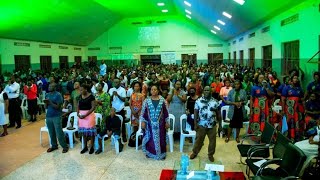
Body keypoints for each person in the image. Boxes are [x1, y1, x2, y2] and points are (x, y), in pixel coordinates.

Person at [190, 86, 221, 162]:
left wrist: (220, 125)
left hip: (212, 125)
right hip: (201, 125)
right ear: (203, 91)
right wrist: (195, 124)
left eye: (208, 90)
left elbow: (219, 114)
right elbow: (195, 112)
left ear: (211, 91)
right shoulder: (198, 101)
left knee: (212, 141)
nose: (207, 91)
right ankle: (195, 152)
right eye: (205, 90)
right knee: (199, 140)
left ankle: (210, 154)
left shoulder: (215, 102)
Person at [141, 85, 169, 160]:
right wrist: (143, 121)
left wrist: (167, 121)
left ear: (158, 91)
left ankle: (162, 154)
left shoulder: (162, 100)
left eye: (155, 89)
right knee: (150, 139)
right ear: (150, 91)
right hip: (149, 124)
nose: (154, 91)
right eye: (152, 89)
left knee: (161, 138)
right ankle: (150, 153)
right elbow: (144, 113)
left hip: (161, 124)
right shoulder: (146, 101)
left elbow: (166, 112)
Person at [44, 83, 68, 153]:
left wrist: (50, 102)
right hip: (49, 116)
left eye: (51, 86)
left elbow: (58, 107)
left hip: (56, 115)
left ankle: (64, 146)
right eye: (49, 86)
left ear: (55, 87)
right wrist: (46, 103)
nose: (49, 87)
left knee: (59, 132)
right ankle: (54, 146)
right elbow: (46, 107)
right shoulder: (47, 94)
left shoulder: (58, 95)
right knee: (51, 132)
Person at [281, 75, 304, 141]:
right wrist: (283, 110)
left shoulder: (299, 88)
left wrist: (304, 109)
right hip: (289, 109)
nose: (296, 79)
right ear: (291, 80)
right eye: (294, 78)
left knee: (297, 122)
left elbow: (302, 100)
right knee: (289, 122)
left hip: (297, 109)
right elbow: (283, 99)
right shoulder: (286, 88)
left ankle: (296, 138)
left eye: (297, 78)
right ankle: (288, 137)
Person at [78, 83, 96, 154]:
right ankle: (85, 146)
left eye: (82, 90)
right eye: (80, 90)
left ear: (86, 89)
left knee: (91, 132)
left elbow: (93, 107)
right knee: (83, 132)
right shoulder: (80, 96)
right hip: (81, 116)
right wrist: (77, 113)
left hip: (89, 115)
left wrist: (85, 115)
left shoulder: (91, 97)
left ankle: (91, 147)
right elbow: (78, 105)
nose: (80, 91)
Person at [109, 78, 127, 142]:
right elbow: (110, 100)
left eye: (117, 82)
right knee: (113, 123)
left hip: (120, 108)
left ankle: (124, 136)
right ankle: (115, 135)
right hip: (113, 109)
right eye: (114, 82)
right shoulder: (111, 89)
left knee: (122, 123)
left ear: (119, 83)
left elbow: (124, 99)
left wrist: (117, 95)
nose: (115, 83)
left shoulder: (122, 90)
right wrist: (112, 96)